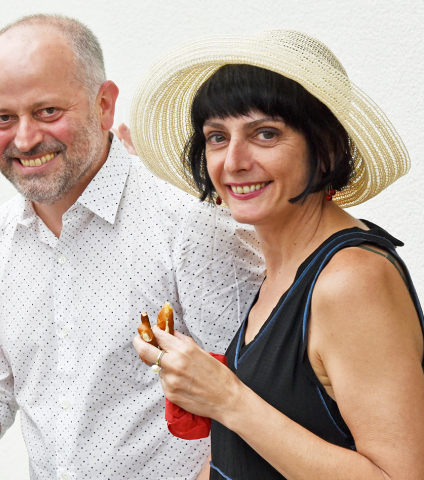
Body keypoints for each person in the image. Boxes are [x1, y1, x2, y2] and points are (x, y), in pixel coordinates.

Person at [0, 14, 265, 480]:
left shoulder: (193, 225)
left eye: (47, 111)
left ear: (104, 105)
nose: (25, 138)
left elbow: (257, 405)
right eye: (3, 118)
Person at [132, 30, 424, 479]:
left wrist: (226, 398)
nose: (233, 161)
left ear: (325, 149)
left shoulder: (352, 279)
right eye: (217, 137)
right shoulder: (284, 271)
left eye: (265, 134)